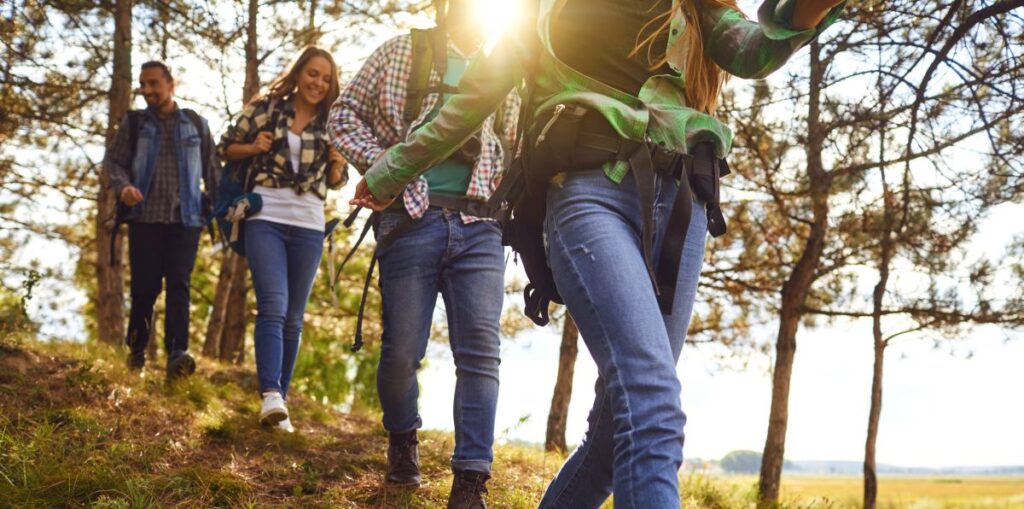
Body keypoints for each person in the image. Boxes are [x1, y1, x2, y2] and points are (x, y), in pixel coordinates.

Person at [350, 0, 846, 506]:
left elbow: (753, 51)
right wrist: (391, 171)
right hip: (588, 191)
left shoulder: (696, 5)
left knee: (617, 431)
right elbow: (470, 100)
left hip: (681, 204)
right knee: (651, 402)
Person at [328, 0, 518, 505]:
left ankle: (471, 480)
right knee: (401, 354)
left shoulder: (507, 64)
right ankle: (402, 436)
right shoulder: (400, 53)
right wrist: (385, 164)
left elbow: (513, 141)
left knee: (480, 355)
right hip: (410, 219)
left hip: (480, 223)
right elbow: (342, 116)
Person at [218, 46, 347, 433]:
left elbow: (337, 181)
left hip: (309, 222)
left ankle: (280, 407)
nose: (318, 83)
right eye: (313, 74)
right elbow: (225, 145)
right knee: (273, 304)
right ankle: (270, 393)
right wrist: (253, 146)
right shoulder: (268, 108)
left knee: (294, 317)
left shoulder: (332, 121)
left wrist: (338, 163)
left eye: (326, 78)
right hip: (266, 216)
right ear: (299, 72)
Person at [104, 60, 218, 379]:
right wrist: (124, 186)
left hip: (187, 219)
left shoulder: (196, 123)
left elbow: (213, 171)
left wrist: (220, 210)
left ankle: (177, 356)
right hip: (145, 218)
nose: (148, 91)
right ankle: (137, 354)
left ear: (171, 84)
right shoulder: (136, 123)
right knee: (145, 288)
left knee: (179, 285)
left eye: (154, 83)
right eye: (144, 85)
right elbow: (114, 162)